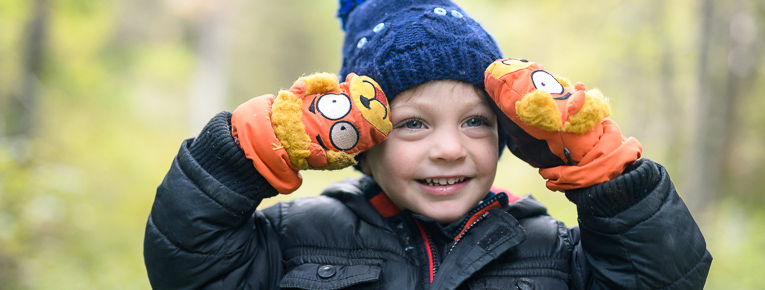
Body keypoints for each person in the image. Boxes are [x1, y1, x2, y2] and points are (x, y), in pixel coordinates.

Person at [143, 0, 712, 289]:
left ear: (511, 132)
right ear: (360, 139)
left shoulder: (553, 250)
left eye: (475, 122)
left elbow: (661, 275)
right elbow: (189, 261)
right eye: (415, 124)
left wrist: (606, 170)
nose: (449, 149)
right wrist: (245, 150)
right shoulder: (293, 238)